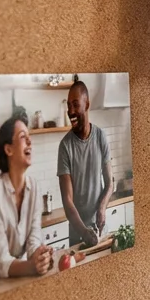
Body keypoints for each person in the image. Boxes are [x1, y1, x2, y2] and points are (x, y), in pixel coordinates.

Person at [0, 116, 50, 279]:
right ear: (8, 149)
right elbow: (2, 261)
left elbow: (33, 240)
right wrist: (32, 267)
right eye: (23, 137)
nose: (30, 142)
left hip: (19, 273)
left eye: (29, 137)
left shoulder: (35, 188)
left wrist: (40, 256)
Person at [58, 80, 112, 247]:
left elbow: (110, 183)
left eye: (75, 104)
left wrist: (102, 208)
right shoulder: (65, 146)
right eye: (68, 106)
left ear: (87, 104)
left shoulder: (101, 137)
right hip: (78, 235)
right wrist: (84, 233)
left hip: (100, 229)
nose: (70, 111)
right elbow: (67, 201)